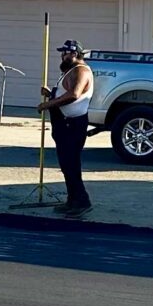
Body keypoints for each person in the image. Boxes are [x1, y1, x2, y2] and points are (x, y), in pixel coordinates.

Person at [42, 39, 95, 216]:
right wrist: (50, 95)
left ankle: (82, 201)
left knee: (71, 165)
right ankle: (72, 200)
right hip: (64, 123)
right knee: (66, 165)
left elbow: (74, 94)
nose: (62, 56)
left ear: (74, 53)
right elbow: (66, 93)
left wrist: (48, 105)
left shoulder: (81, 71)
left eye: (65, 53)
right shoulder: (71, 70)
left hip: (72, 125)